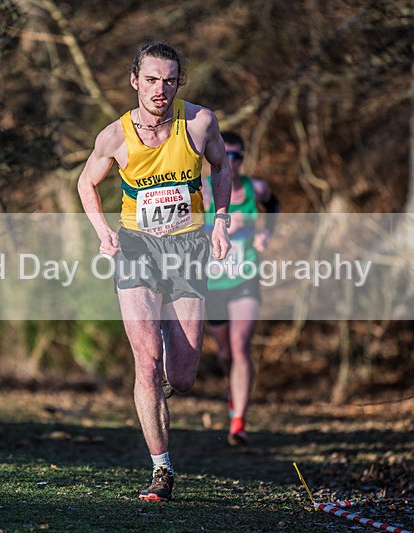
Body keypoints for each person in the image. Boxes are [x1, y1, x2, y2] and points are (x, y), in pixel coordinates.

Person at [77, 41, 232, 502]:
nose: (160, 89)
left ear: (178, 82)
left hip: (187, 248)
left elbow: (222, 167)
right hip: (137, 248)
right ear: (135, 81)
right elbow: (86, 182)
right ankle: (161, 469)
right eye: (151, 80)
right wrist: (102, 231)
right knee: (145, 362)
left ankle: (163, 364)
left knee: (181, 377)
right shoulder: (114, 136)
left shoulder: (199, 123)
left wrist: (221, 221)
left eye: (168, 80)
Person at [202, 131, 279, 447]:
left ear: (243, 159)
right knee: (225, 352)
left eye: (237, 156)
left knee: (240, 345)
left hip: (246, 278)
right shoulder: (202, 191)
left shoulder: (255, 189)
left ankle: (239, 422)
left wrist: (266, 233)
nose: (230, 161)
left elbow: (273, 205)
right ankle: (233, 392)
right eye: (225, 155)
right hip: (212, 283)